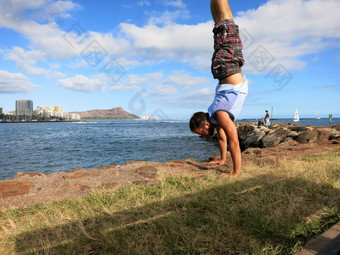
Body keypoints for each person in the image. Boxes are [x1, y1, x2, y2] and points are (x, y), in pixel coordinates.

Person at [189, 0, 248, 177]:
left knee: (227, 22)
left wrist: (235, 173)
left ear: (206, 124)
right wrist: (222, 160)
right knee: (219, 25)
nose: (204, 136)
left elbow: (234, 142)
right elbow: (222, 138)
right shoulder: (215, 118)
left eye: (203, 133)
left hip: (227, 65)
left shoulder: (220, 115)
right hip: (222, 69)